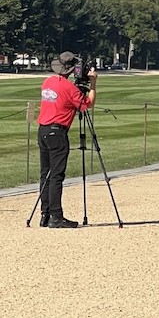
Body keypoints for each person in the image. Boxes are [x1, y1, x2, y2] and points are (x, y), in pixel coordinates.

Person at [37, 51, 97, 228]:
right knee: (56, 175)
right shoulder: (69, 88)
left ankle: (45, 214)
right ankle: (56, 216)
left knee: (45, 174)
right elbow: (88, 104)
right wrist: (93, 82)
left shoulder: (48, 82)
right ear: (71, 69)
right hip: (57, 132)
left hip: (43, 131)